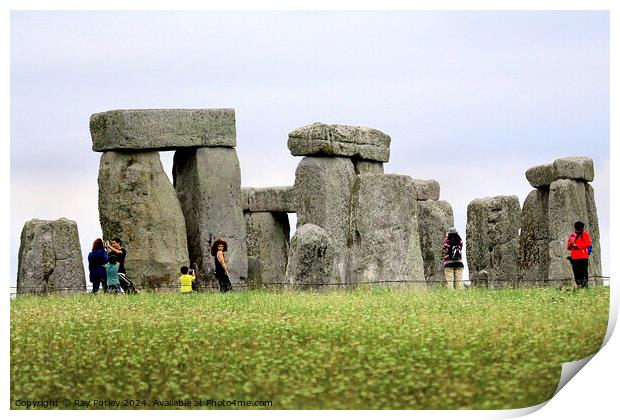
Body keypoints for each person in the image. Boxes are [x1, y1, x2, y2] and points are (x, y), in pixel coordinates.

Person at [567, 221, 592, 288]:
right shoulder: (572, 235)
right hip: (574, 258)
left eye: (578, 229)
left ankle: (584, 286)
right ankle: (579, 286)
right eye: (576, 229)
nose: (577, 231)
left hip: (583, 257)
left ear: (582, 229)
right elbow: (568, 247)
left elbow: (588, 244)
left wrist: (577, 245)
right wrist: (571, 245)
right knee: (576, 274)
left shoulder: (585, 235)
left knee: (584, 274)